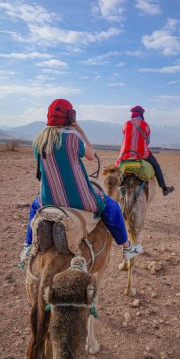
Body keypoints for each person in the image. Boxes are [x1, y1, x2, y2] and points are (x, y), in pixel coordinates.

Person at [20, 99, 142, 263]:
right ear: (70, 117)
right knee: (112, 207)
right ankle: (127, 248)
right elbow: (92, 155)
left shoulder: (38, 141)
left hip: (49, 200)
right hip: (81, 200)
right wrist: (78, 129)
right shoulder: (73, 138)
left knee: (35, 207)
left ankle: (27, 247)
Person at [116, 105, 174, 196]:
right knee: (156, 166)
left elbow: (125, 136)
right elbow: (148, 141)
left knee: (117, 168)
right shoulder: (146, 125)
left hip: (125, 154)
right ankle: (164, 188)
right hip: (142, 154)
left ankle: (118, 189)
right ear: (141, 114)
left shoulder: (126, 124)